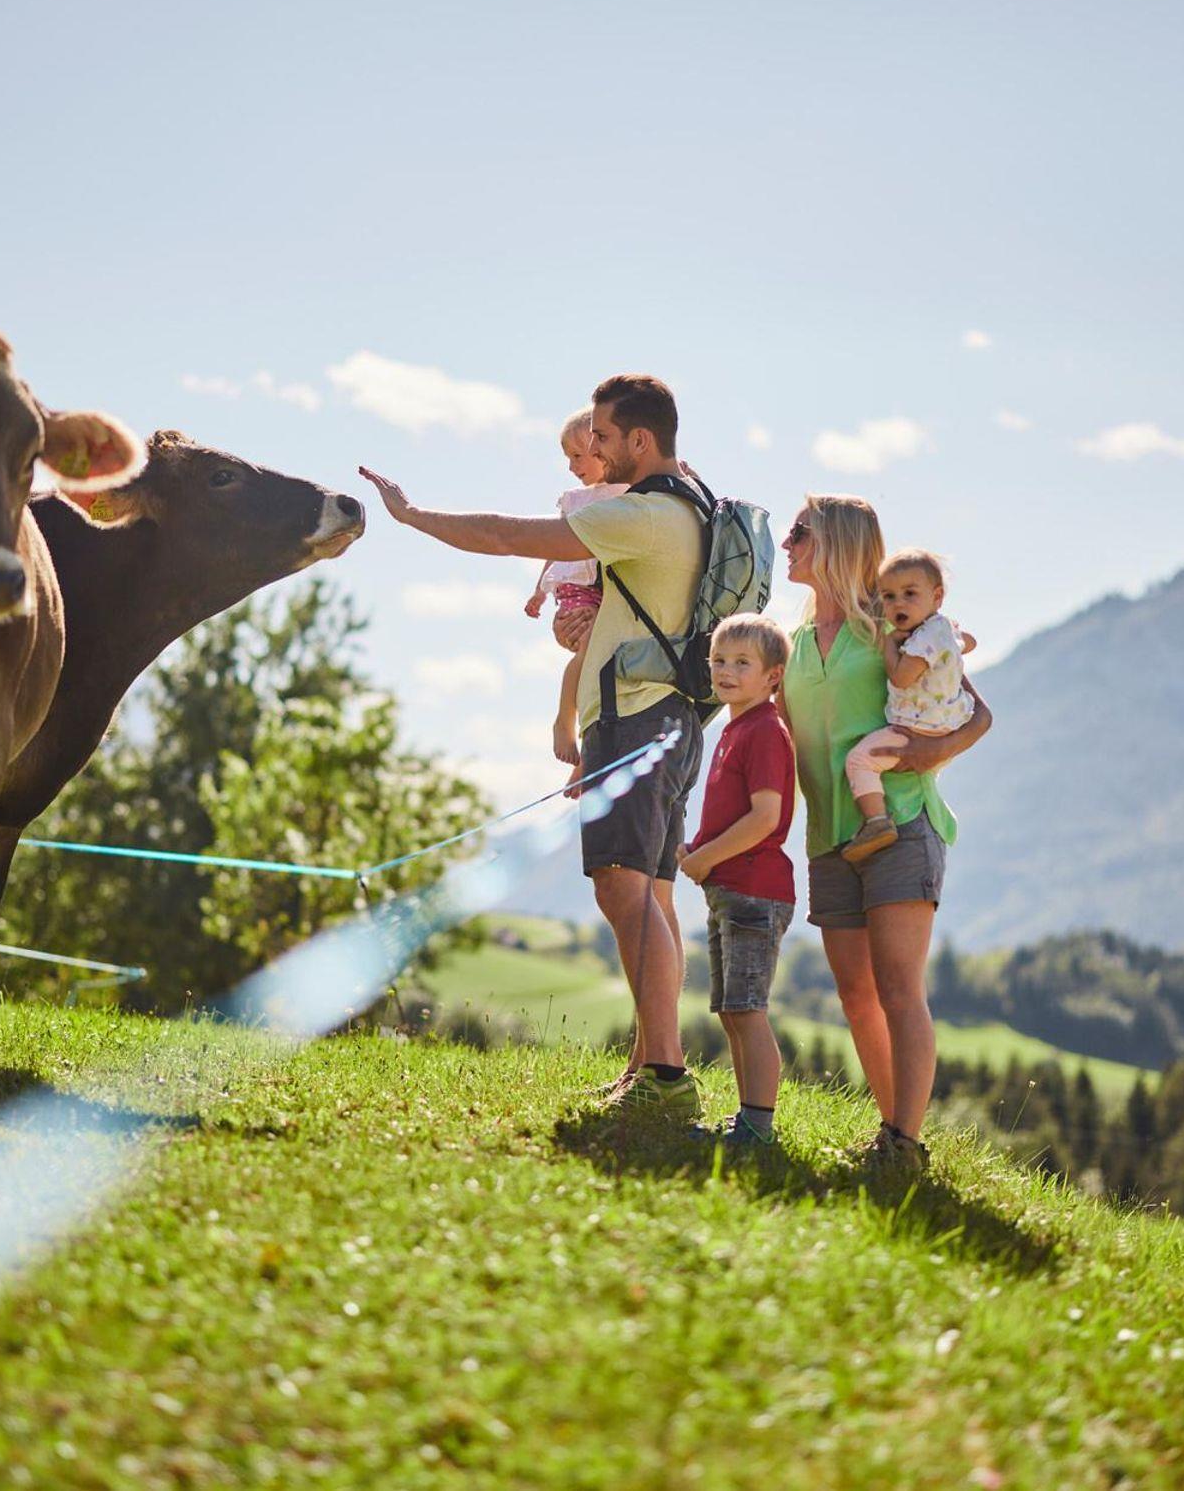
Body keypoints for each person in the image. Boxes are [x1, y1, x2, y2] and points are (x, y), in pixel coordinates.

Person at [358, 373, 708, 1127]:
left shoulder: (643, 512)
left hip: (634, 720)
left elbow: (506, 536)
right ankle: (651, 1065)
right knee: (651, 893)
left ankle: (667, 1075)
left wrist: (412, 515)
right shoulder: (693, 504)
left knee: (622, 890)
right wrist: (582, 627)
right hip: (671, 719)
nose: (595, 448)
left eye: (604, 437)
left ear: (639, 440)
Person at [777, 495, 991, 1175]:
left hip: (899, 824)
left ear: (835, 544)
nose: (786, 543)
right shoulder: (793, 646)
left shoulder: (894, 629)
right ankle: (889, 1131)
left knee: (899, 988)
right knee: (855, 995)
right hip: (828, 836)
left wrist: (933, 753)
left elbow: (976, 713)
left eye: (799, 532)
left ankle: (903, 1145)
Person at [677, 613, 796, 1147]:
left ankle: (758, 1128)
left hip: (754, 891)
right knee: (731, 1011)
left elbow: (765, 818)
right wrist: (698, 849)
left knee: (748, 1011)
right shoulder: (734, 728)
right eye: (719, 660)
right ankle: (746, 1121)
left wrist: (706, 859)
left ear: (773, 676)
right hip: (729, 889)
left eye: (742, 663)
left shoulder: (766, 730)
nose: (726, 671)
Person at [840, 548, 977, 864]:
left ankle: (877, 822)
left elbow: (901, 678)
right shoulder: (942, 629)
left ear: (937, 597)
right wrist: (950, 651)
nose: (898, 604)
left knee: (860, 761)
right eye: (889, 597)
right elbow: (970, 642)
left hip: (917, 728)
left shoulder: (921, 640)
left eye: (910, 594)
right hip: (947, 720)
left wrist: (889, 645)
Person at [524, 408, 627, 767]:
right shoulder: (578, 500)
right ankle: (564, 722)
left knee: (602, 669)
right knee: (589, 654)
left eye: (578, 456)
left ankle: (588, 748)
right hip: (578, 589)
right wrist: (540, 591)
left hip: (601, 591)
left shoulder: (624, 492)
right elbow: (556, 546)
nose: (572, 466)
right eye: (569, 458)